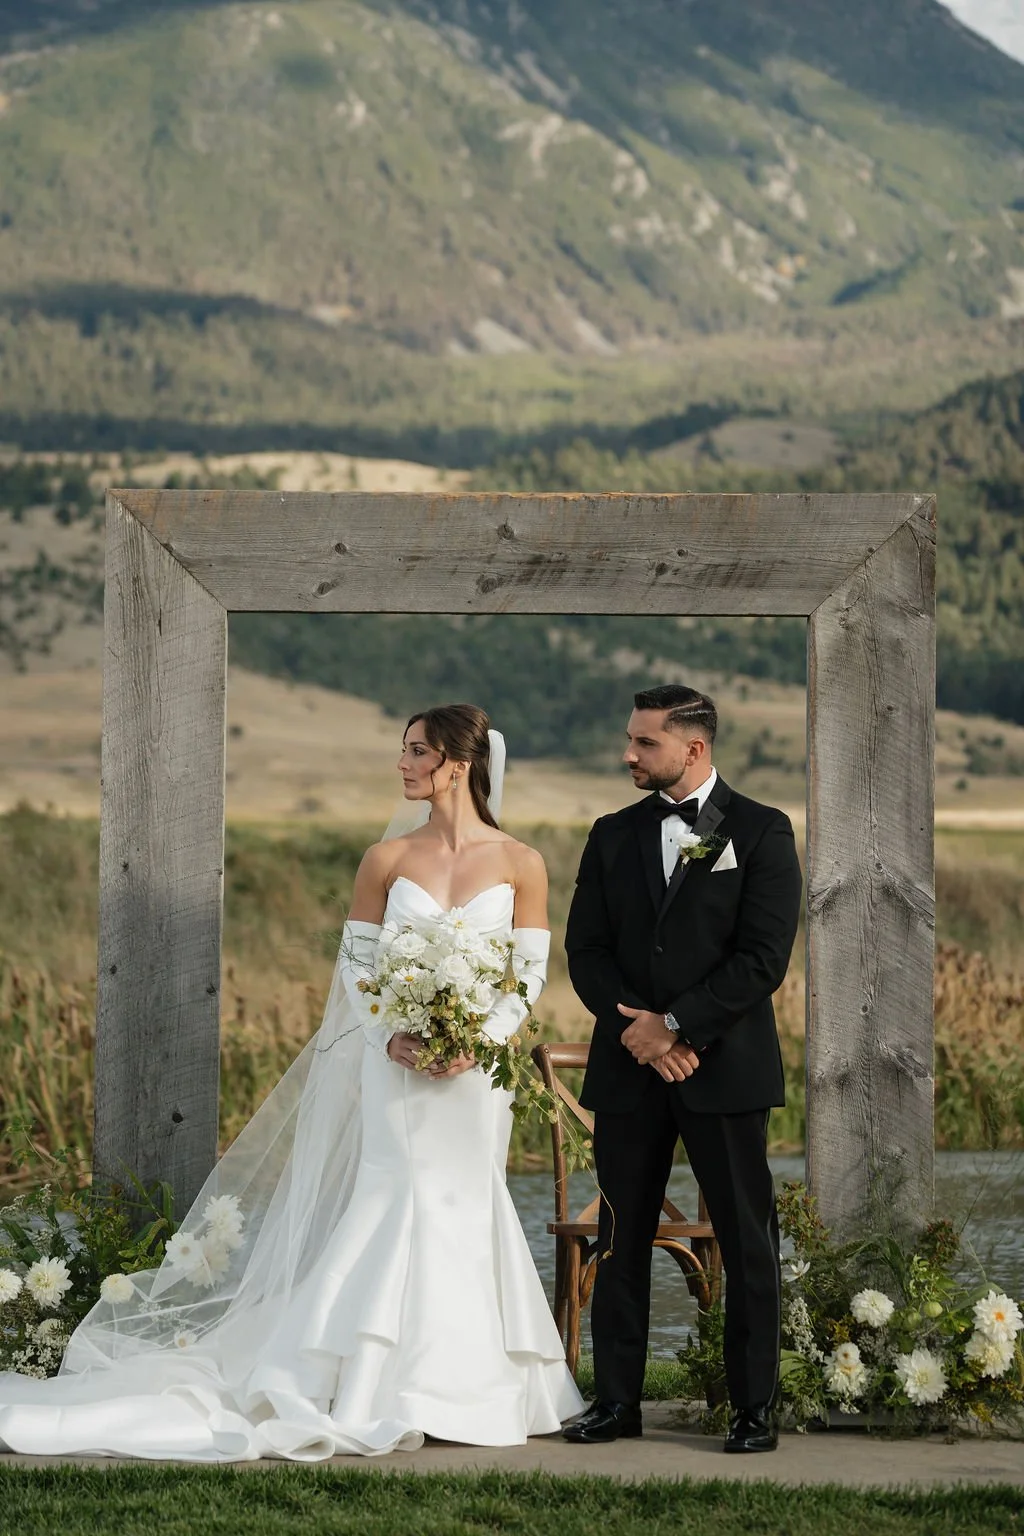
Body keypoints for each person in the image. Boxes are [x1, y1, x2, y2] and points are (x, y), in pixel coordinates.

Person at [0, 703, 582, 1461]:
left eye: (415, 752)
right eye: (402, 751)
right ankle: (372, 1381)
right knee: (397, 1194)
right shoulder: (386, 861)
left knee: (465, 1202)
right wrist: (394, 1035)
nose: (401, 766)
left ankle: (469, 1384)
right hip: (397, 1070)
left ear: (459, 764)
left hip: (477, 1080)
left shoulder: (521, 862)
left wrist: (480, 1040)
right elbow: (358, 967)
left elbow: (529, 972)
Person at [563, 684, 802, 1453]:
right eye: (629, 740)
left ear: (693, 748)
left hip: (725, 1071)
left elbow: (762, 959)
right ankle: (616, 1404)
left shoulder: (764, 832)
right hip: (630, 1070)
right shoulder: (610, 834)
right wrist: (638, 1030)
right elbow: (586, 951)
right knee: (622, 1238)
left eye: (644, 743)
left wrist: (677, 1026)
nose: (628, 754)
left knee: (746, 1237)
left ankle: (752, 1411)